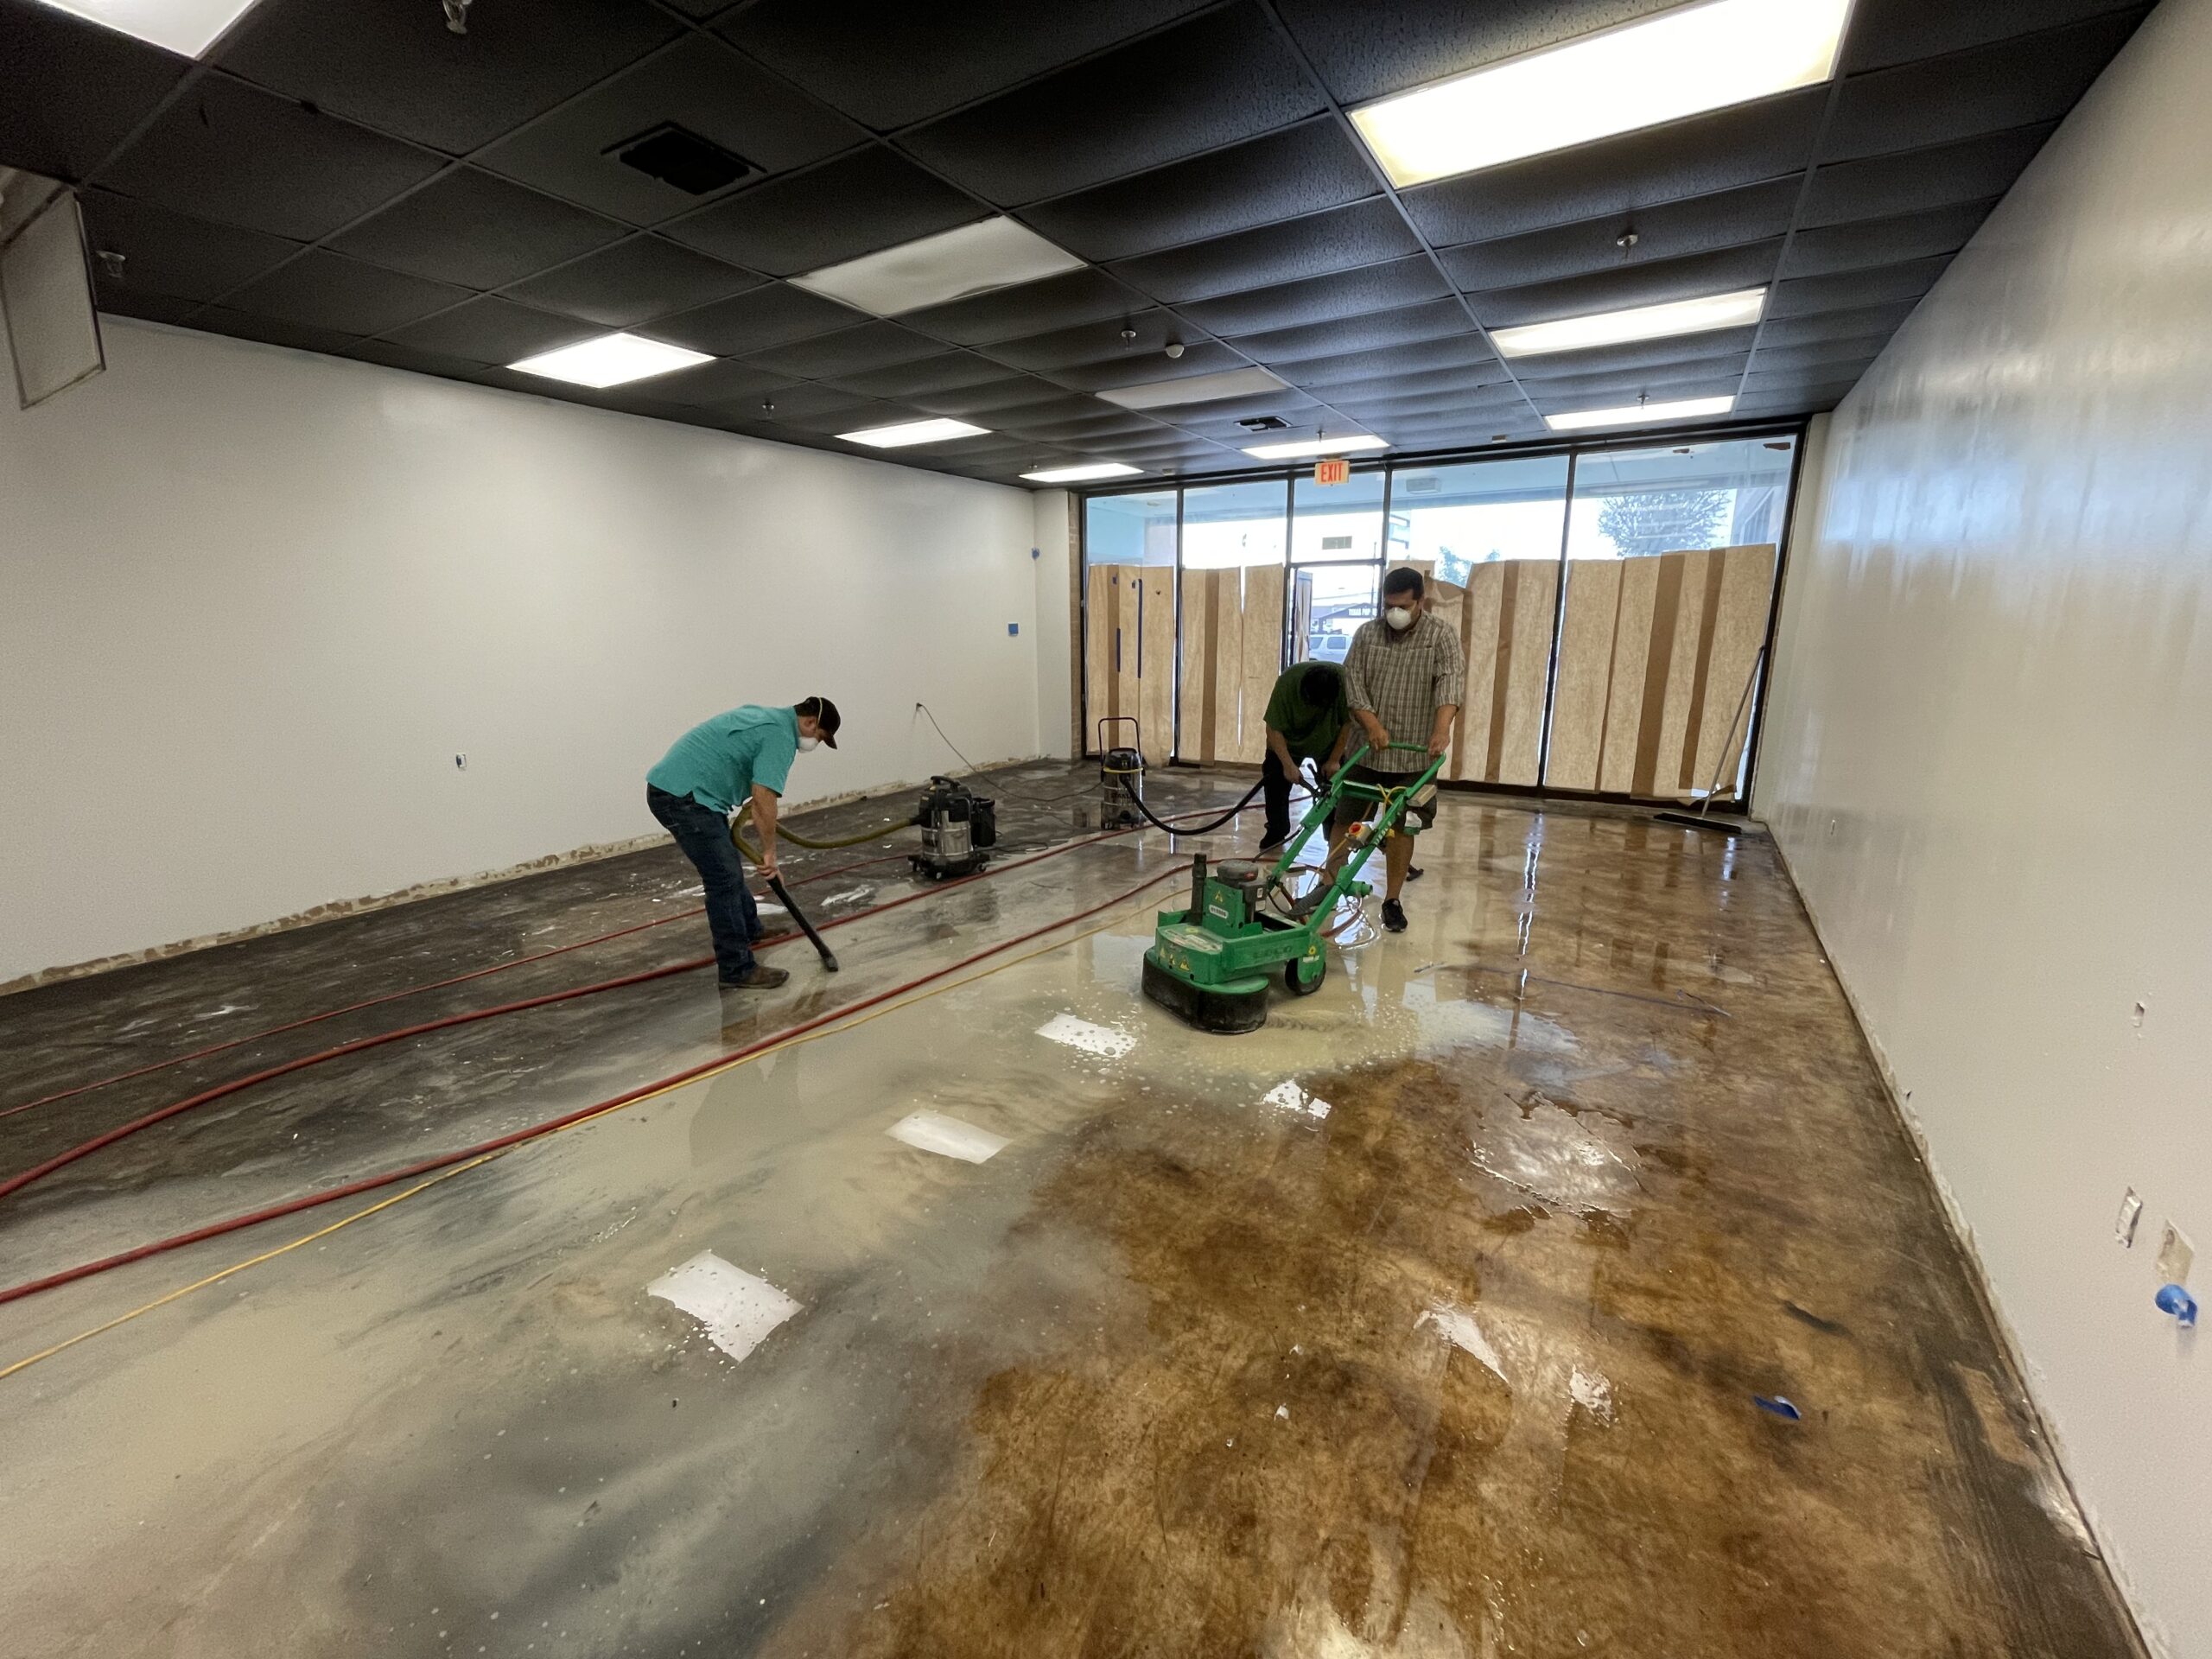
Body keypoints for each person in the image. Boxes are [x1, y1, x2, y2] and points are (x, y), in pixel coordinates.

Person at [645, 696, 841, 992]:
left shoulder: (767, 716)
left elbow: (737, 758)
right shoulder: (780, 736)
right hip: (683, 798)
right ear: (810, 722)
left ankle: (750, 929)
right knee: (723, 879)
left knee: (727, 866)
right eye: (819, 737)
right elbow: (764, 799)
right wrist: (769, 853)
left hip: (688, 793)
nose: (814, 743)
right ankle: (736, 968)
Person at [1339, 567, 1463, 932]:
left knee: (1401, 827)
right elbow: (1353, 683)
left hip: (1413, 755)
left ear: (1420, 602)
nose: (1394, 613)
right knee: (1345, 818)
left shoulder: (1441, 636)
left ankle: (1392, 899)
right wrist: (1372, 725)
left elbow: (1450, 683)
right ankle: (1329, 881)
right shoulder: (1367, 634)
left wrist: (1442, 731)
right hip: (1367, 748)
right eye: (1388, 605)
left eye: (1403, 606)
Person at [1258, 661, 1352, 850]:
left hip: (1329, 741)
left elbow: (1348, 723)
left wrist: (1334, 759)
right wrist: (1288, 765)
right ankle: (1277, 830)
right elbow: (1273, 729)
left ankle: (1333, 832)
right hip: (1289, 742)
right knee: (1275, 780)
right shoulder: (1287, 684)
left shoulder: (1345, 683)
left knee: (1335, 788)